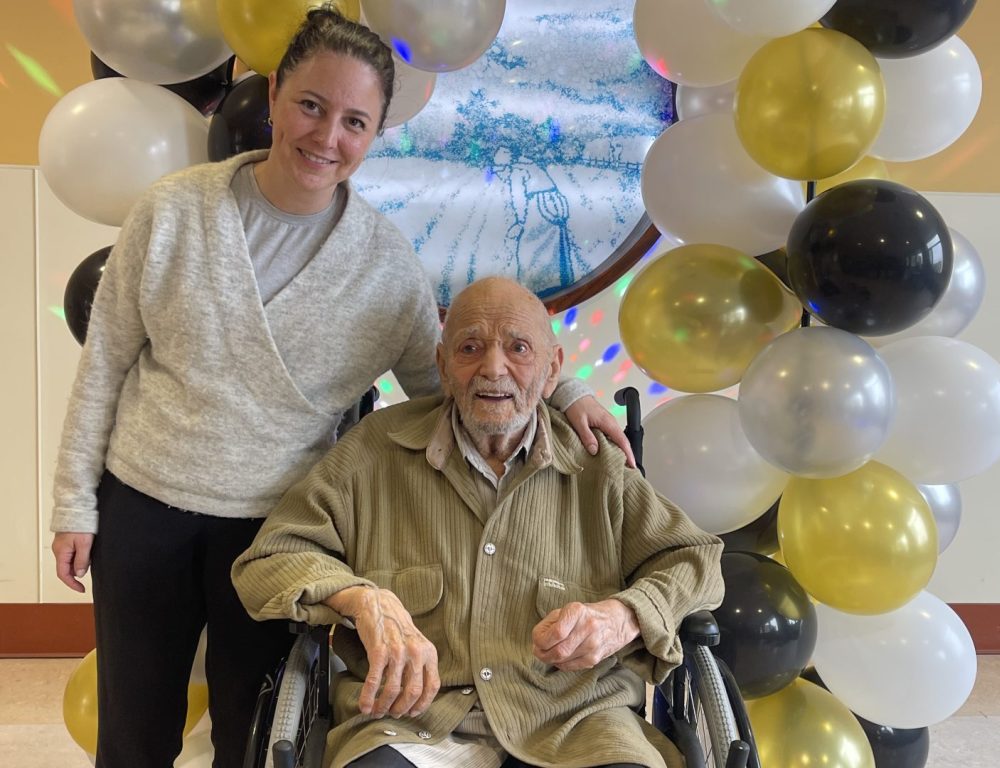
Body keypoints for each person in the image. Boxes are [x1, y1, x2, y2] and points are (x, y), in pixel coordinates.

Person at [48, 7, 632, 767]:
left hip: (273, 537)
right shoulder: (173, 211)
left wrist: (569, 391)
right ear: (277, 94)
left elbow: (459, 375)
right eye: (312, 106)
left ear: (376, 132)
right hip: (141, 511)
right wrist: (74, 502)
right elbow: (105, 365)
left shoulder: (385, 268)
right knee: (133, 734)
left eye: (355, 121)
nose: (327, 138)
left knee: (253, 740)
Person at [232, 276, 725, 768]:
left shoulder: (598, 465)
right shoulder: (374, 450)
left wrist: (624, 616)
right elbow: (272, 557)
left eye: (518, 348)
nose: (493, 368)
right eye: (470, 348)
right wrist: (361, 598)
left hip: (578, 724)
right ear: (444, 367)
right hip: (408, 723)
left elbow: (694, 557)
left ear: (552, 370)